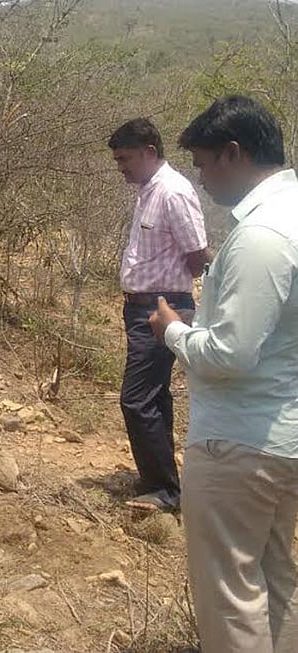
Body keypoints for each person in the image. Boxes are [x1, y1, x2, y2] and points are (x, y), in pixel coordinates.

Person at [150, 95, 298, 653]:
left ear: (233, 153)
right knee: (275, 581)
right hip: (279, 438)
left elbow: (232, 355)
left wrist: (172, 330)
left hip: (239, 443)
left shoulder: (261, 236)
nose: (203, 180)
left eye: (206, 163)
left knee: (230, 597)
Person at [107, 118, 211, 512]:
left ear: (149, 152)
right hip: (142, 305)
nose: (121, 166)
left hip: (162, 307)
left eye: (126, 158)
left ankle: (164, 490)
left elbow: (197, 255)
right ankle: (161, 481)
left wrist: (170, 305)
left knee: (136, 399)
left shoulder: (173, 191)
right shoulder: (148, 190)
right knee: (153, 396)